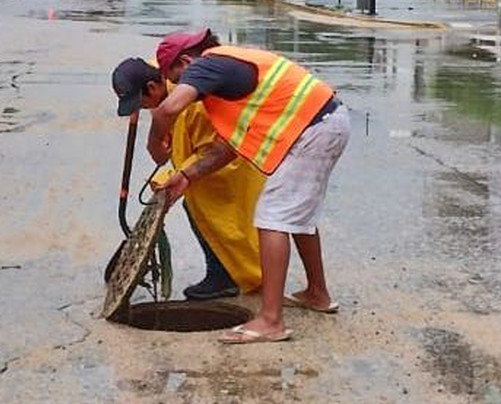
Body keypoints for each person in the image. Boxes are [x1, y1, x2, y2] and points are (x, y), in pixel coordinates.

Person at [144, 31, 351, 343]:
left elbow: (166, 110)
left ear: (185, 61)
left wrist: (156, 144)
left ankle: (271, 321)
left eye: (175, 77)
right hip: (324, 123)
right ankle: (317, 293)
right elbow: (230, 147)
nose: (179, 86)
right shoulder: (228, 76)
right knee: (298, 215)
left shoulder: (206, 66)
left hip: (313, 130)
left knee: (272, 217)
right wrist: (188, 175)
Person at [111, 35, 264, 300]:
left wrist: (180, 174)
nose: (145, 108)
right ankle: (222, 271)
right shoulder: (160, 76)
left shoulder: (196, 107)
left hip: (228, 164)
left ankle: (224, 276)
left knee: (219, 222)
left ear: (153, 86)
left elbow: (212, 150)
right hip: (203, 157)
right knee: (196, 209)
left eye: (143, 102)